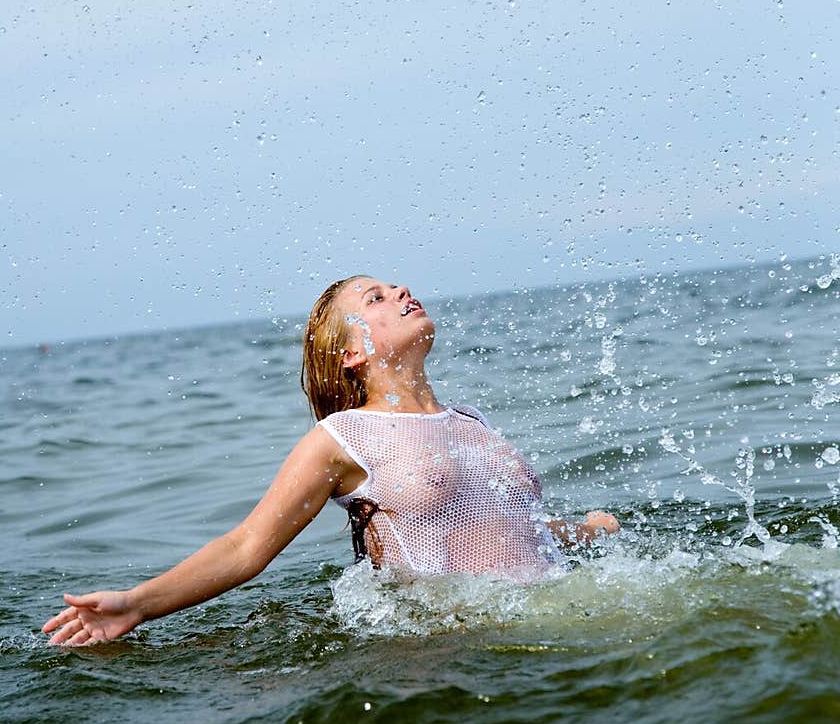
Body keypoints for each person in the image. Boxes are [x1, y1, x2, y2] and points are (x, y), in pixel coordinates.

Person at [43, 277, 620, 647]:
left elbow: (502, 531)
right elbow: (247, 547)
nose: (400, 292)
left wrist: (582, 532)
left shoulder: (472, 421)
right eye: (377, 299)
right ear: (350, 354)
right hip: (454, 645)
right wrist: (136, 605)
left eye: (395, 288)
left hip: (556, 623)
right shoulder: (342, 438)